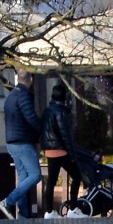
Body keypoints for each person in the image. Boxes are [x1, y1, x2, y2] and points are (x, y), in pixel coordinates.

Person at [0, 73, 43, 219]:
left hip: (11, 142)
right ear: (31, 80)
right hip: (23, 141)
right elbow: (31, 118)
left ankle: (23, 215)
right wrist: (42, 131)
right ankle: (8, 201)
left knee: (23, 177)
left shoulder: (11, 95)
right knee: (35, 175)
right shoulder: (23, 95)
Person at [41, 83, 83, 214]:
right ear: (64, 97)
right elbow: (65, 135)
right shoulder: (61, 112)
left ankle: (48, 211)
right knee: (77, 176)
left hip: (50, 151)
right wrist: (72, 155)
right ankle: (73, 208)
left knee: (51, 181)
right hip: (61, 150)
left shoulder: (47, 111)